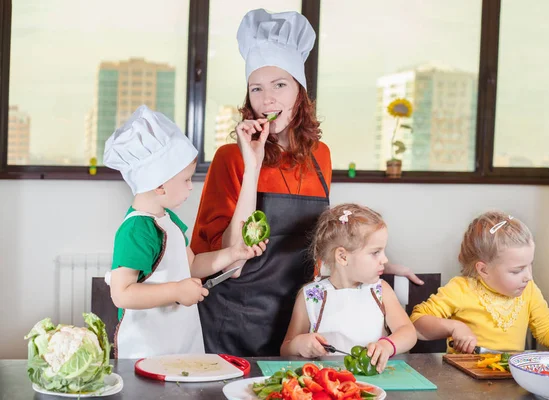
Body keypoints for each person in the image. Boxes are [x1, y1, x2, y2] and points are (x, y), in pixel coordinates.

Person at [190, 8, 422, 357]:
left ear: (300, 92)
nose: (268, 99)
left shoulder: (321, 156)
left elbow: (328, 239)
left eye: (280, 85)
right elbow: (231, 260)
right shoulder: (231, 158)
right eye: (257, 89)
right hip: (234, 316)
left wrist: (378, 262)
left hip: (301, 316)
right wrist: (251, 166)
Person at [103, 105, 266, 359]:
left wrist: (234, 252)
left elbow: (192, 265)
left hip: (178, 344)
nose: (191, 187)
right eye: (187, 179)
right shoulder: (136, 230)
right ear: (159, 184)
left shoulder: (168, 221)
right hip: (145, 350)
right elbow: (121, 293)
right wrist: (176, 291)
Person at [410, 211, 549, 353]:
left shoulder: (529, 290)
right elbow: (417, 324)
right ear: (484, 270)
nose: (528, 276)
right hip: (464, 382)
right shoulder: (461, 289)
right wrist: (454, 327)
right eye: (517, 270)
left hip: (510, 380)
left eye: (529, 265)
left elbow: (547, 330)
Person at [280, 204, 417, 372]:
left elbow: (408, 332)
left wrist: (387, 346)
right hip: (328, 384)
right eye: (376, 252)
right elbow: (285, 348)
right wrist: (300, 344)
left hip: (376, 382)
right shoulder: (310, 296)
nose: (385, 259)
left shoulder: (381, 290)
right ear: (343, 256)